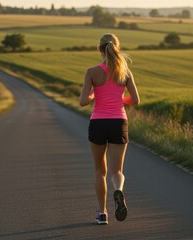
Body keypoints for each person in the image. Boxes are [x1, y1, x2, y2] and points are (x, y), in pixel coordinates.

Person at [79, 33, 140, 225]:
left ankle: (102, 213)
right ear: (117, 48)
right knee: (117, 171)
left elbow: (83, 101)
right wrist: (120, 99)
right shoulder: (125, 72)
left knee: (100, 171)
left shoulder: (92, 72)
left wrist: (91, 97)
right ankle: (119, 190)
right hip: (118, 122)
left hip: (98, 123)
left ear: (100, 49)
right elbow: (136, 101)